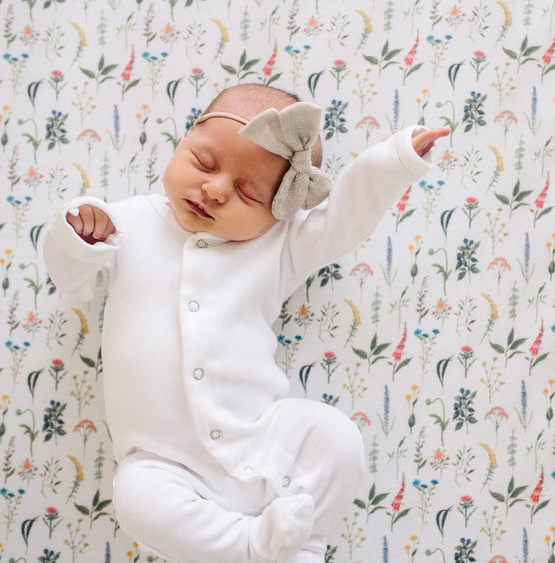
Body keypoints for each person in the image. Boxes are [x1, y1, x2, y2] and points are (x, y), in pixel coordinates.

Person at [43, 83, 449, 563]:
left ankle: (303, 544)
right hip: (163, 463)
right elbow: (73, 278)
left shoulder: (275, 247)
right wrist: (79, 234)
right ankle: (251, 548)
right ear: (185, 139)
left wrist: (395, 161)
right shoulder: (128, 224)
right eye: (204, 162)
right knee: (134, 498)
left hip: (259, 443)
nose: (215, 190)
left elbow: (344, 216)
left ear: (278, 212)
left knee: (335, 439)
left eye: (246, 192)